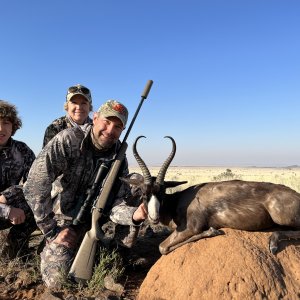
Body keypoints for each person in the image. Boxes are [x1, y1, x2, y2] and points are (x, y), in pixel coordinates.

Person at [24, 99, 148, 289]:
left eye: (117, 127)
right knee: (58, 282)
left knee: (138, 181)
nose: (110, 130)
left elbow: (116, 206)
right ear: (95, 118)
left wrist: (135, 215)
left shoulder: (119, 157)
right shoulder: (68, 139)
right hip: (62, 223)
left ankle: (120, 252)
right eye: (106, 122)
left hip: (95, 222)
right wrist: (52, 231)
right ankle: (50, 246)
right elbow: (34, 184)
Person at [0, 100, 36, 258]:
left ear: (13, 126)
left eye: (6, 123)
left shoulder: (22, 150)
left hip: (8, 205)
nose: (1, 128)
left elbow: (35, 184)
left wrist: (7, 196)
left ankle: (14, 251)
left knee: (36, 204)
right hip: (5, 209)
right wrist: (6, 210)